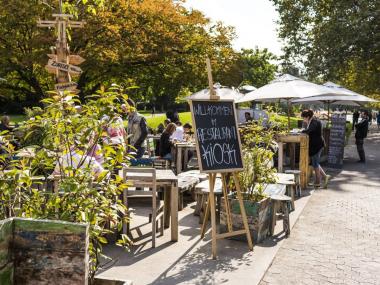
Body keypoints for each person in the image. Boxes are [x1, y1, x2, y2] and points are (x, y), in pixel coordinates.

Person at [301, 109, 330, 188]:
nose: (303, 120)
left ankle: (318, 181)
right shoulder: (313, 121)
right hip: (317, 145)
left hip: (317, 145)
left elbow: (309, 130)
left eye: (303, 118)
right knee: (316, 162)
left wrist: (302, 131)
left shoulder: (314, 122)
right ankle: (325, 177)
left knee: (315, 164)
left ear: (307, 117)